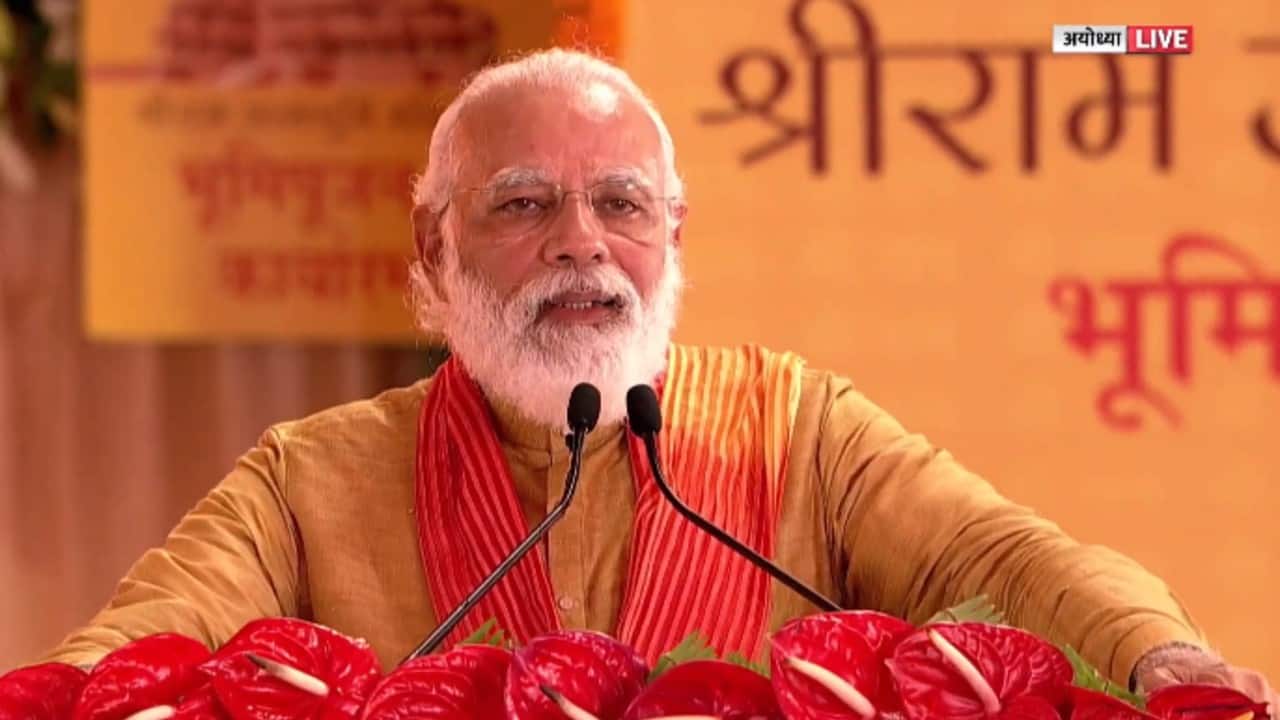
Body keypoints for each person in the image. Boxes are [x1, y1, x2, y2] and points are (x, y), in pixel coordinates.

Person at [38, 49, 1277, 706]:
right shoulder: (311, 477)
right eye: (523, 203)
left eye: (619, 204)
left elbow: (1000, 560)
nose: (580, 240)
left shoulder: (799, 428)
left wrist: (1154, 652)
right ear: (433, 246)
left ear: (673, 239)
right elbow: (152, 639)